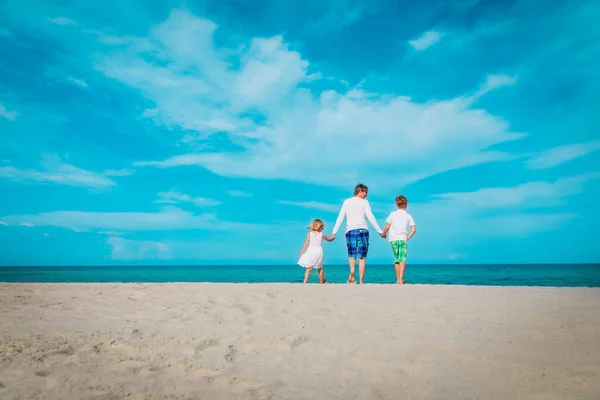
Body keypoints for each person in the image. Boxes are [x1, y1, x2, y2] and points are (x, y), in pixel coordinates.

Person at [331, 183, 385, 284]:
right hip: (363, 230)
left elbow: (340, 217)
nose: (366, 195)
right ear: (360, 191)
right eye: (365, 192)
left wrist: (334, 232)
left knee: (352, 255)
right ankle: (361, 281)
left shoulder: (346, 202)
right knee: (362, 257)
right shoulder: (364, 202)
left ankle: (352, 271)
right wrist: (380, 231)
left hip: (350, 231)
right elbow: (370, 216)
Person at [381, 195, 416, 284]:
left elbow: (387, 226)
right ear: (406, 204)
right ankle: (401, 279)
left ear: (397, 205)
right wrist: (407, 237)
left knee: (396, 259)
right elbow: (414, 229)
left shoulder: (392, 214)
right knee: (402, 259)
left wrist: (384, 233)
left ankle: (398, 280)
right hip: (403, 239)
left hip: (393, 239)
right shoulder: (408, 216)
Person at [298, 219, 334, 284]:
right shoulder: (322, 234)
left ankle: (305, 281)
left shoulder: (309, 234)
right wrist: (332, 237)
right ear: (318, 227)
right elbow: (329, 239)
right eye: (322, 227)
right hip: (319, 252)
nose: (322, 229)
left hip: (311, 251)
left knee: (308, 268)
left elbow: (306, 243)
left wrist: (301, 252)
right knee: (320, 268)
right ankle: (322, 281)